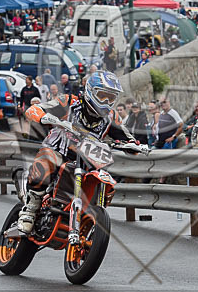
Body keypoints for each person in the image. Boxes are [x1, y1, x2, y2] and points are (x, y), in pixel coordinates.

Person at [17, 71, 129, 233]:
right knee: (48, 159)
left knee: (104, 176)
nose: (106, 101)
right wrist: (47, 118)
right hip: (58, 150)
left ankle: (90, 215)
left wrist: (135, 145)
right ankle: (31, 208)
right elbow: (35, 110)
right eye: (102, 95)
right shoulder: (69, 101)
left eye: (111, 98)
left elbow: (128, 136)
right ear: (90, 90)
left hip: (87, 159)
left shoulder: (111, 117)